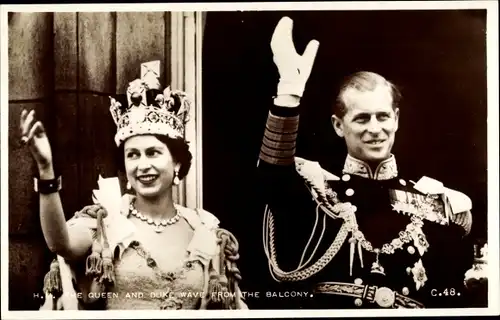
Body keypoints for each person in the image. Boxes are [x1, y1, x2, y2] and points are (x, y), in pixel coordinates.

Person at [258, 17, 478, 309]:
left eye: (383, 116)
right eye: (361, 118)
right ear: (339, 126)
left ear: (396, 119)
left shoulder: (435, 202)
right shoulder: (320, 193)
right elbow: (272, 178)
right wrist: (289, 91)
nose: (375, 128)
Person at [20, 61, 247, 310]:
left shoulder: (204, 230)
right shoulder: (106, 224)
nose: (142, 165)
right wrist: (45, 170)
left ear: (177, 164)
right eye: (133, 155)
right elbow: (60, 243)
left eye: (153, 153)